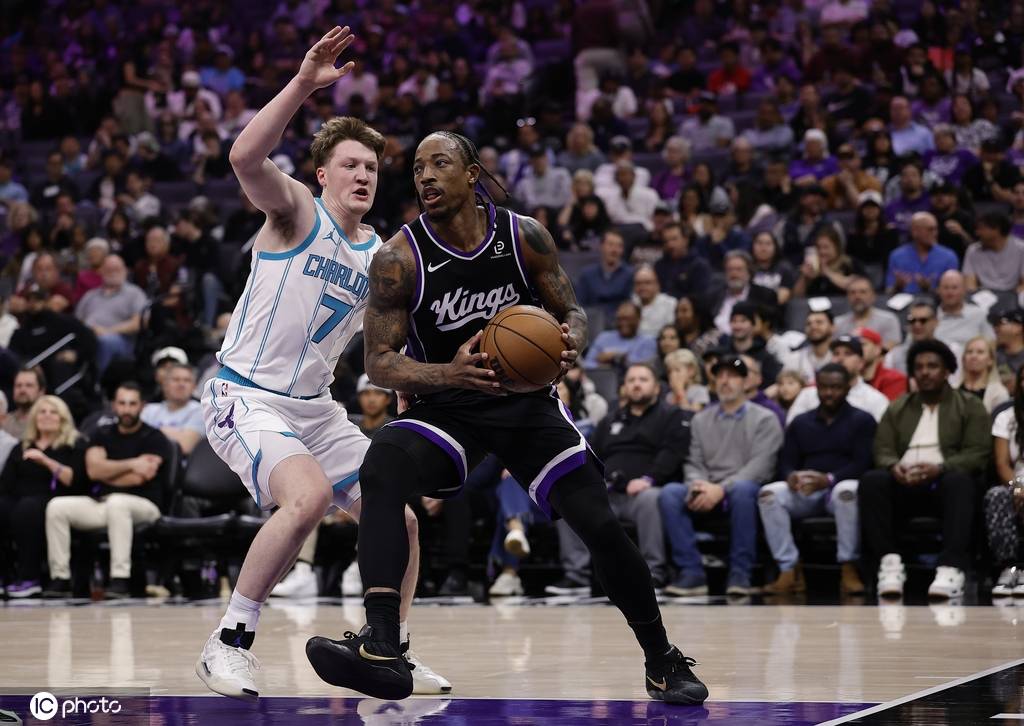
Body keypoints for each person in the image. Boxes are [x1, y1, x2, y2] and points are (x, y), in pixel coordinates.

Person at [304, 128, 709, 705]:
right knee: (383, 466)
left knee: (598, 522)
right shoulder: (398, 258)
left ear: (472, 174)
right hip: (449, 405)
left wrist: (570, 343)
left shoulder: (524, 237)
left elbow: (571, 311)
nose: (425, 176)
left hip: (525, 404)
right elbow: (379, 363)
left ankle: (662, 658)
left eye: (439, 164)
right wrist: (450, 373)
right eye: (417, 168)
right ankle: (383, 646)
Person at [192, 28, 448, 699]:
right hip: (245, 396)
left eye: (373, 168)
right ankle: (229, 641)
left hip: (316, 410)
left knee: (400, 519)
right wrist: (304, 83)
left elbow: (392, 341)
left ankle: (390, 650)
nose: (364, 175)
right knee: (305, 499)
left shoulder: (380, 255)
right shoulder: (295, 213)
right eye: (351, 165)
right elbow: (244, 156)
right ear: (322, 175)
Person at [860, 340, 990, 599]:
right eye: (919, 367)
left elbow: (978, 452)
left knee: (959, 482)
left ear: (947, 370)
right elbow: (882, 449)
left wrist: (940, 468)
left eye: (932, 366)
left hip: (943, 483)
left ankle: (951, 567)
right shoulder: (898, 407)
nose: (925, 372)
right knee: (872, 480)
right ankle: (889, 564)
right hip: (904, 482)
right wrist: (893, 466)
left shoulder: (969, 405)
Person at [552, 364, 689, 593]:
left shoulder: (670, 415)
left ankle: (653, 571)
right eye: (631, 380)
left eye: (643, 379)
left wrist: (649, 479)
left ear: (657, 387)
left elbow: (672, 452)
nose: (636, 384)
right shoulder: (610, 420)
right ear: (624, 387)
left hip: (644, 491)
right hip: (608, 493)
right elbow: (591, 455)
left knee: (650, 499)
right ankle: (577, 575)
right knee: (571, 502)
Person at [659, 355, 782, 596]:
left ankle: (740, 573)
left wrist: (721, 489)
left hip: (743, 489)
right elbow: (693, 461)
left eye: (733, 376)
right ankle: (692, 572)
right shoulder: (700, 419)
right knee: (670, 493)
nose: (725, 381)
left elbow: (760, 466)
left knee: (743, 490)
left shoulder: (765, 419)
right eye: (720, 376)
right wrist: (698, 485)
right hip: (706, 487)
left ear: (745, 382)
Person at [43, 383, 170, 599]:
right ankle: (60, 578)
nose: (126, 409)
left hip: (145, 505)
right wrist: (132, 464)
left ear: (142, 406)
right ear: (114, 405)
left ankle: (120, 578)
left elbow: (141, 476)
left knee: (118, 502)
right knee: (57, 507)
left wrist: (107, 470)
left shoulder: (155, 438)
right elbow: (93, 471)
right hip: (105, 503)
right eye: (122, 403)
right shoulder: (101, 434)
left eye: (132, 404)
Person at [758, 364, 876, 596]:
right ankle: (788, 568)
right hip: (807, 490)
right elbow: (786, 461)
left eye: (836, 387)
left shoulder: (862, 420)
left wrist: (830, 479)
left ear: (847, 388)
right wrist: (791, 477)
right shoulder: (801, 422)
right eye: (824, 387)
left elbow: (864, 463)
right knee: (769, 494)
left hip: (840, 489)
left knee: (846, 491)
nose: (829, 393)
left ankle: (848, 567)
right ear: (816, 388)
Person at [0, 396, 87, 598]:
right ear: (34, 418)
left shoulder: (74, 445)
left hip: (57, 499)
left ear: (62, 418)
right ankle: (4, 575)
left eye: (53, 412)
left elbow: (75, 480)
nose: (47, 416)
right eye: (42, 411)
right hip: (21, 499)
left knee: (27, 509)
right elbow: (6, 484)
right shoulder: (22, 447)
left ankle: (30, 578)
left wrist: (46, 461)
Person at [787, 335, 891, 424]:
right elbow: (792, 429)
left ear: (861, 363)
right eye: (836, 353)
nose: (840, 359)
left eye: (848, 354)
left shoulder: (875, 400)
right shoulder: (808, 395)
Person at [986, 365, 1024, 597]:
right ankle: (1010, 568)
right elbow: (1002, 464)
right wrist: (1018, 486)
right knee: (996, 496)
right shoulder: (1006, 417)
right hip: (1016, 482)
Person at [74, 254, 148, 374]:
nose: (113, 273)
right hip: (88, 337)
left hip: (121, 340)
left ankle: (93, 380)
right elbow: (77, 321)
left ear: (125, 271)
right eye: (109, 269)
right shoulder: (90, 295)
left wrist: (107, 331)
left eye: (117, 269)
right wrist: (89, 331)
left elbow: (139, 322)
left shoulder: (135, 293)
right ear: (101, 271)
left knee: (105, 341)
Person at [886, 298, 963, 385]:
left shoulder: (952, 350)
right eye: (912, 321)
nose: (917, 325)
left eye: (923, 320)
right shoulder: (894, 355)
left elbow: (955, 383)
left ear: (935, 322)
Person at [140, 362, 204, 456]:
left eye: (187, 380)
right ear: (165, 385)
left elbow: (185, 445)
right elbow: (134, 440)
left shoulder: (201, 411)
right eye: (176, 379)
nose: (181, 384)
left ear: (194, 387)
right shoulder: (149, 410)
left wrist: (150, 432)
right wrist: (176, 433)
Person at [885, 212, 958, 294]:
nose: (935, 233)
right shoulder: (896, 256)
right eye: (930, 229)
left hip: (936, 301)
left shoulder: (949, 256)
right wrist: (898, 287)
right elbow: (888, 291)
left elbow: (954, 292)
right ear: (915, 231)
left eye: (936, 229)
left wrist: (929, 289)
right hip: (904, 300)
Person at [583, 301, 658, 369]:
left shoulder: (648, 341)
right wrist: (602, 367)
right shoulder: (603, 337)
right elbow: (587, 364)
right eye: (620, 319)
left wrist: (615, 357)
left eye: (628, 319)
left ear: (639, 319)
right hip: (604, 377)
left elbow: (646, 368)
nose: (623, 323)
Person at [575, 230, 634, 316]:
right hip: (591, 320)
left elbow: (630, 305)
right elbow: (579, 305)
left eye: (619, 246)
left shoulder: (630, 274)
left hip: (619, 320)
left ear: (623, 250)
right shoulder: (587, 274)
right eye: (610, 245)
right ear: (601, 246)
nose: (614, 250)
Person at [833, 276, 903, 349]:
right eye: (852, 292)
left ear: (873, 296)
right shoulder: (838, 323)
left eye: (863, 292)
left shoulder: (888, 320)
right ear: (847, 297)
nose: (857, 296)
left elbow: (892, 348)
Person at [963, 213, 1024, 294]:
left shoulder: (1021, 249)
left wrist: (1011, 298)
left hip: (1014, 295)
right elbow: (969, 284)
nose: (977, 233)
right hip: (982, 296)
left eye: (981, 229)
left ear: (996, 230)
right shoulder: (973, 250)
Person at [935, 270, 995, 349]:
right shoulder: (931, 316)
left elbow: (991, 343)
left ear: (964, 290)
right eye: (946, 288)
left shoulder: (979, 314)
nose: (950, 292)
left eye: (954, 288)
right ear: (938, 290)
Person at [654, 222, 711, 300]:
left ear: (685, 240)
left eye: (674, 239)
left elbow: (701, 296)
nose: (670, 245)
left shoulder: (699, 265)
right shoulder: (659, 266)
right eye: (666, 241)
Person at [959, 337, 1010, 414]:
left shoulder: (998, 393)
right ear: (963, 359)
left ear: (990, 360)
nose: (973, 356)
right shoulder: (952, 388)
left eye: (980, 352)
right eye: (969, 352)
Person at [859, 327, 908, 401]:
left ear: (877, 349)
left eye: (862, 344)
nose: (857, 349)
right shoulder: (848, 380)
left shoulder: (894, 379)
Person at [791, 310, 835, 385]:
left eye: (819, 322)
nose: (813, 327)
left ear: (832, 327)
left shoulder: (841, 357)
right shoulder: (795, 358)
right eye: (808, 324)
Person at [632, 265, 676, 338]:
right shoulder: (631, 305)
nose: (642, 287)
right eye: (638, 283)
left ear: (657, 285)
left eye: (647, 283)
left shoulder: (670, 304)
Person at [2, 367, 45, 440]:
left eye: (29, 385)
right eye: (18, 385)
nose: (22, 390)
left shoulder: (48, 422)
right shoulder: (4, 422)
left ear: (41, 391)